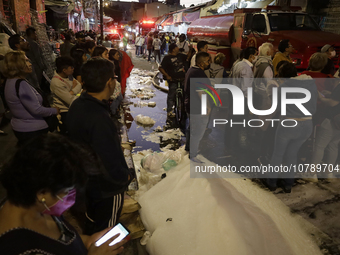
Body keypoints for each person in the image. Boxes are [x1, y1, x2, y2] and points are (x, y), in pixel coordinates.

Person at [0, 133, 128, 255]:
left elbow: (65, 241)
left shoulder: (37, 205)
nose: (71, 200)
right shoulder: (17, 248)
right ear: (42, 193)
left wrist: (88, 241)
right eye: (67, 192)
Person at [67, 58, 134, 234]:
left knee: (93, 220)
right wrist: (124, 178)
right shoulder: (99, 118)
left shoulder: (78, 104)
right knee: (106, 230)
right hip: (106, 189)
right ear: (108, 82)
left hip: (87, 181)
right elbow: (109, 159)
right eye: (114, 78)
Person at [265, 63, 318, 193]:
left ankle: (272, 182)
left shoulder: (283, 87)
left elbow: (276, 108)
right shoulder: (311, 84)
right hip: (307, 124)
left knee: (278, 154)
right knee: (292, 154)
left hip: (288, 124)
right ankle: (288, 184)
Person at [3, 51, 58, 145]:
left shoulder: (10, 81)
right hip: (32, 130)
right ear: (17, 65)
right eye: (26, 61)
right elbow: (36, 110)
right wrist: (54, 110)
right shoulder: (21, 84)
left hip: (21, 127)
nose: (30, 64)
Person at [184, 52, 212, 163]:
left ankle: (189, 148)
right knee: (197, 132)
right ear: (201, 63)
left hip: (190, 105)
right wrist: (207, 106)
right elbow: (201, 92)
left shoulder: (191, 70)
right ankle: (193, 155)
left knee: (191, 129)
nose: (209, 63)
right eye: (207, 61)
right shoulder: (199, 74)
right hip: (197, 107)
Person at [50, 56, 82, 135]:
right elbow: (70, 100)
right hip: (64, 112)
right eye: (71, 67)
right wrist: (76, 92)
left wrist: (72, 91)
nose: (73, 69)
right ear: (64, 70)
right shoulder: (56, 82)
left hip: (72, 109)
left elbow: (79, 85)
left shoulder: (68, 76)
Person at [159, 43, 186, 117]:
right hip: (173, 80)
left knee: (183, 94)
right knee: (171, 95)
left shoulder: (180, 56)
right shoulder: (167, 58)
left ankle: (181, 108)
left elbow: (188, 57)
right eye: (177, 47)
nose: (178, 48)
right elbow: (160, 68)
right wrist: (167, 76)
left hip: (182, 79)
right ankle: (169, 111)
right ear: (173, 49)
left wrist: (190, 49)